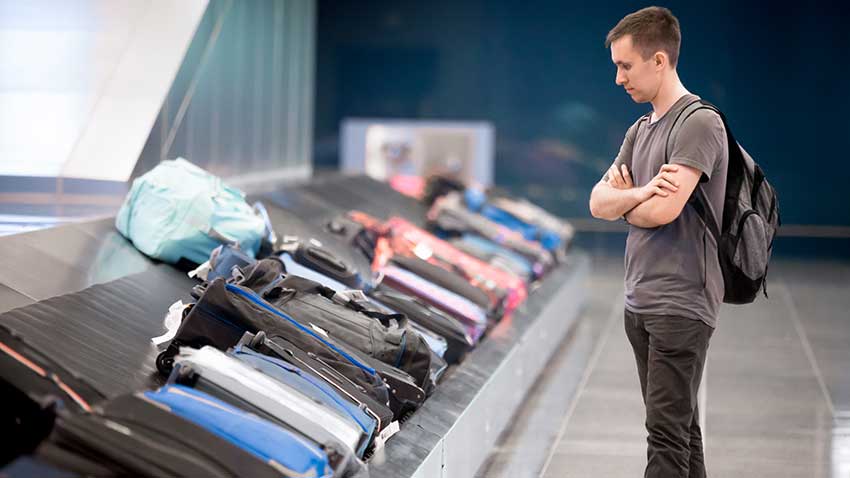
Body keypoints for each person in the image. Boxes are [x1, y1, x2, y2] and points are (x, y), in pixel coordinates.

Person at [588, 6, 728, 478]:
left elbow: (664, 211)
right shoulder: (640, 129)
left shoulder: (698, 124)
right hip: (642, 300)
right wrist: (639, 194)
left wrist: (627, 198)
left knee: (665, 438)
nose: (618, 78)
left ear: (660, 61)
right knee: (681, 431)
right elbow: (595, 202)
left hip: (680, 303)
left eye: (625, 66)